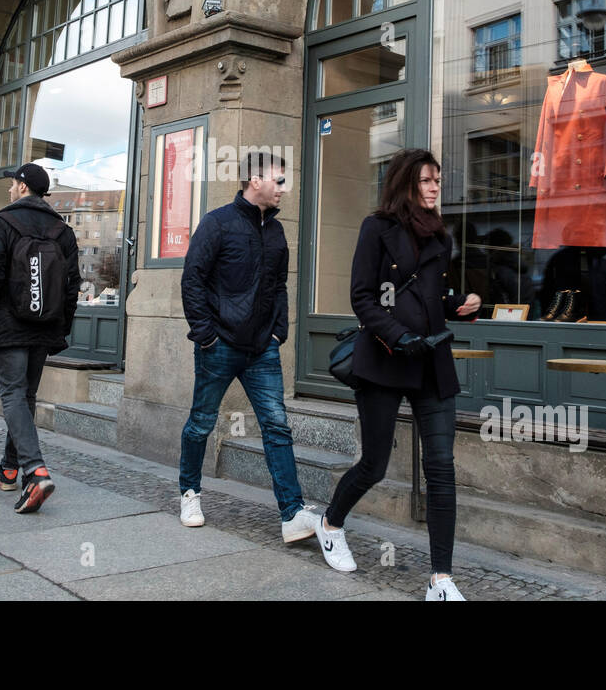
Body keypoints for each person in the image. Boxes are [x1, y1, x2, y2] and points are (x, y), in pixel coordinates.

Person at [314, 148, 480, 601]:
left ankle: (440, 580)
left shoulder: (441, 237)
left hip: (431, 362)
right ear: (406, 183)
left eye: (437, 181)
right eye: (426, 181)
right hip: (386, 360)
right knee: (374, 465)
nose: (433, 188)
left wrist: (457, 306)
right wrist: (398, 336)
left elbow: (432, 298)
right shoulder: (377, 228)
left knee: (441, 468)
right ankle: (330, 523)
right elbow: (362, 297)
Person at [178, 151, 321, 543]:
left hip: (263, 349)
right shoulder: (217, 223)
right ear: (254, 180)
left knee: (277, 426)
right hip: (218, 345)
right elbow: (192, 280)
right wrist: (206, 335)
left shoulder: (275, 231)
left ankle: (291, 513)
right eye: (279, 180)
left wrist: (279, 332)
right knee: (201, 423)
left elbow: (279, 285)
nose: (283, 188)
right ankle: (190, 493)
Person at [0, 163, 78, 513]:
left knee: (12, 394)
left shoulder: (3, 223)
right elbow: (72, 286)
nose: (8, 189)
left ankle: (35, 471)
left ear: (22, 186)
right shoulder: (62, 231)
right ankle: (8, 469)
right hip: (45, 326)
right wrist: (61, 327)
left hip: (10, 324)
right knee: (25, 395)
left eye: (12, 183)